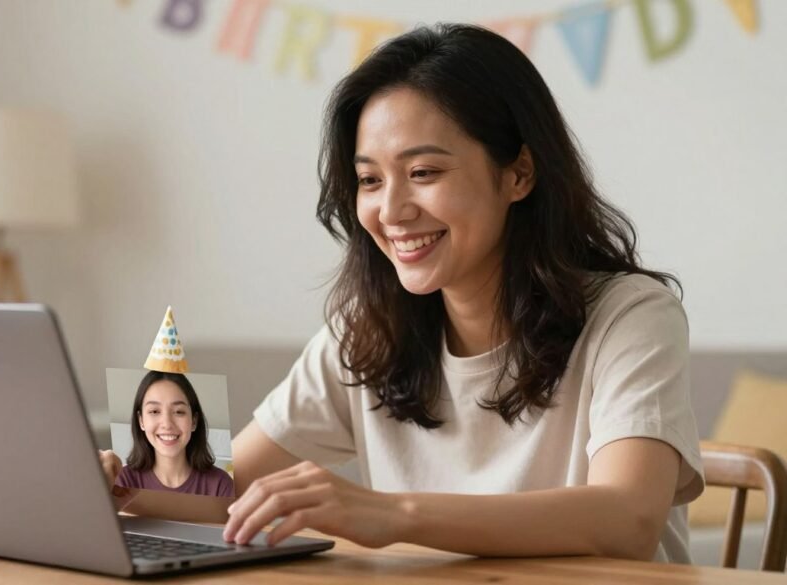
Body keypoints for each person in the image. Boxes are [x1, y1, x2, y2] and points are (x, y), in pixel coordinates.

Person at [219, 24, 703, 562]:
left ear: (519, 174)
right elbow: (218, 487)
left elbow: (627, 517)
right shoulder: (368, 330)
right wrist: (121, 477)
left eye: (423, 171)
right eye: (370, 180)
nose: (392, 211)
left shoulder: (631, 316)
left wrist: (390, 514)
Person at [110, 370, 234, 498]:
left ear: (194, 421)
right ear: (141, 421)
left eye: (179, 412)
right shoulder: (123, 481)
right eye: (154, 411)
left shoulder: (221, 485)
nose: (167, 424)